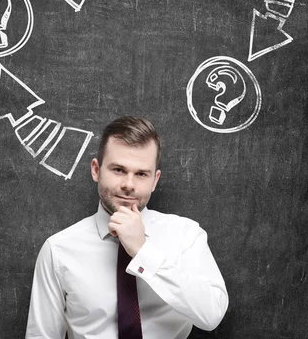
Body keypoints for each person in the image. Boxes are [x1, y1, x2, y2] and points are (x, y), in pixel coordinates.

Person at [25, 116, 228, 338]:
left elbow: (211, 316)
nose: (128, 185)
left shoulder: (185, 236)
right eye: (119, 170)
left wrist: (142, 252)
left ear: (154, 180)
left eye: (141, 174)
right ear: (96, 169)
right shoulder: (58, 250)